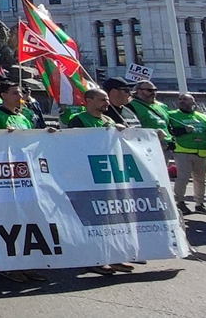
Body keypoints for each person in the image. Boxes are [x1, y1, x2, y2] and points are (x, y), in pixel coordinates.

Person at [0, 82, 53, 283]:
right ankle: (6, 264)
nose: (19, 95)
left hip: (25, 175)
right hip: (4, 176)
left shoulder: (24, 117)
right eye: (14, 93)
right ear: (3, 95)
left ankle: (26, 263)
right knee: (8, 221)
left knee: (27, 219)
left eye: (20, 92)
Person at [67, 89, 133, 276]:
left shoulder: (109, 121)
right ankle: (93, 258)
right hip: (87, 175)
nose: (106, 103)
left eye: (106, 99)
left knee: (110, 218)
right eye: (102, 99)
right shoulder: (78, 120)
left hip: (107, 175)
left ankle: (114, 256)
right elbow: (73, 146)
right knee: (92, 219)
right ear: (88, 101)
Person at [168, 93, 206, 216]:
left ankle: (199, 204)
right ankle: (180, 202)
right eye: (180, 99)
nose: (182, 101)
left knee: (200, 180)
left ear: (193, 102)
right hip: (183, 151)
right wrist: (183, 130)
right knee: (183, 178)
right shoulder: (172, 116)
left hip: (201, 152)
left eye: (185, 99)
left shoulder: (204, 117)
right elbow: (169, 131)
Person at [128, 80, 174, 155]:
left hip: (166, 145)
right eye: (149, 90)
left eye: (155, 90)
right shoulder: (131, 105)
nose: (153, 93)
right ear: (138, 91)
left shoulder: (162, 106)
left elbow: (168, 124)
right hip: (148, 145)